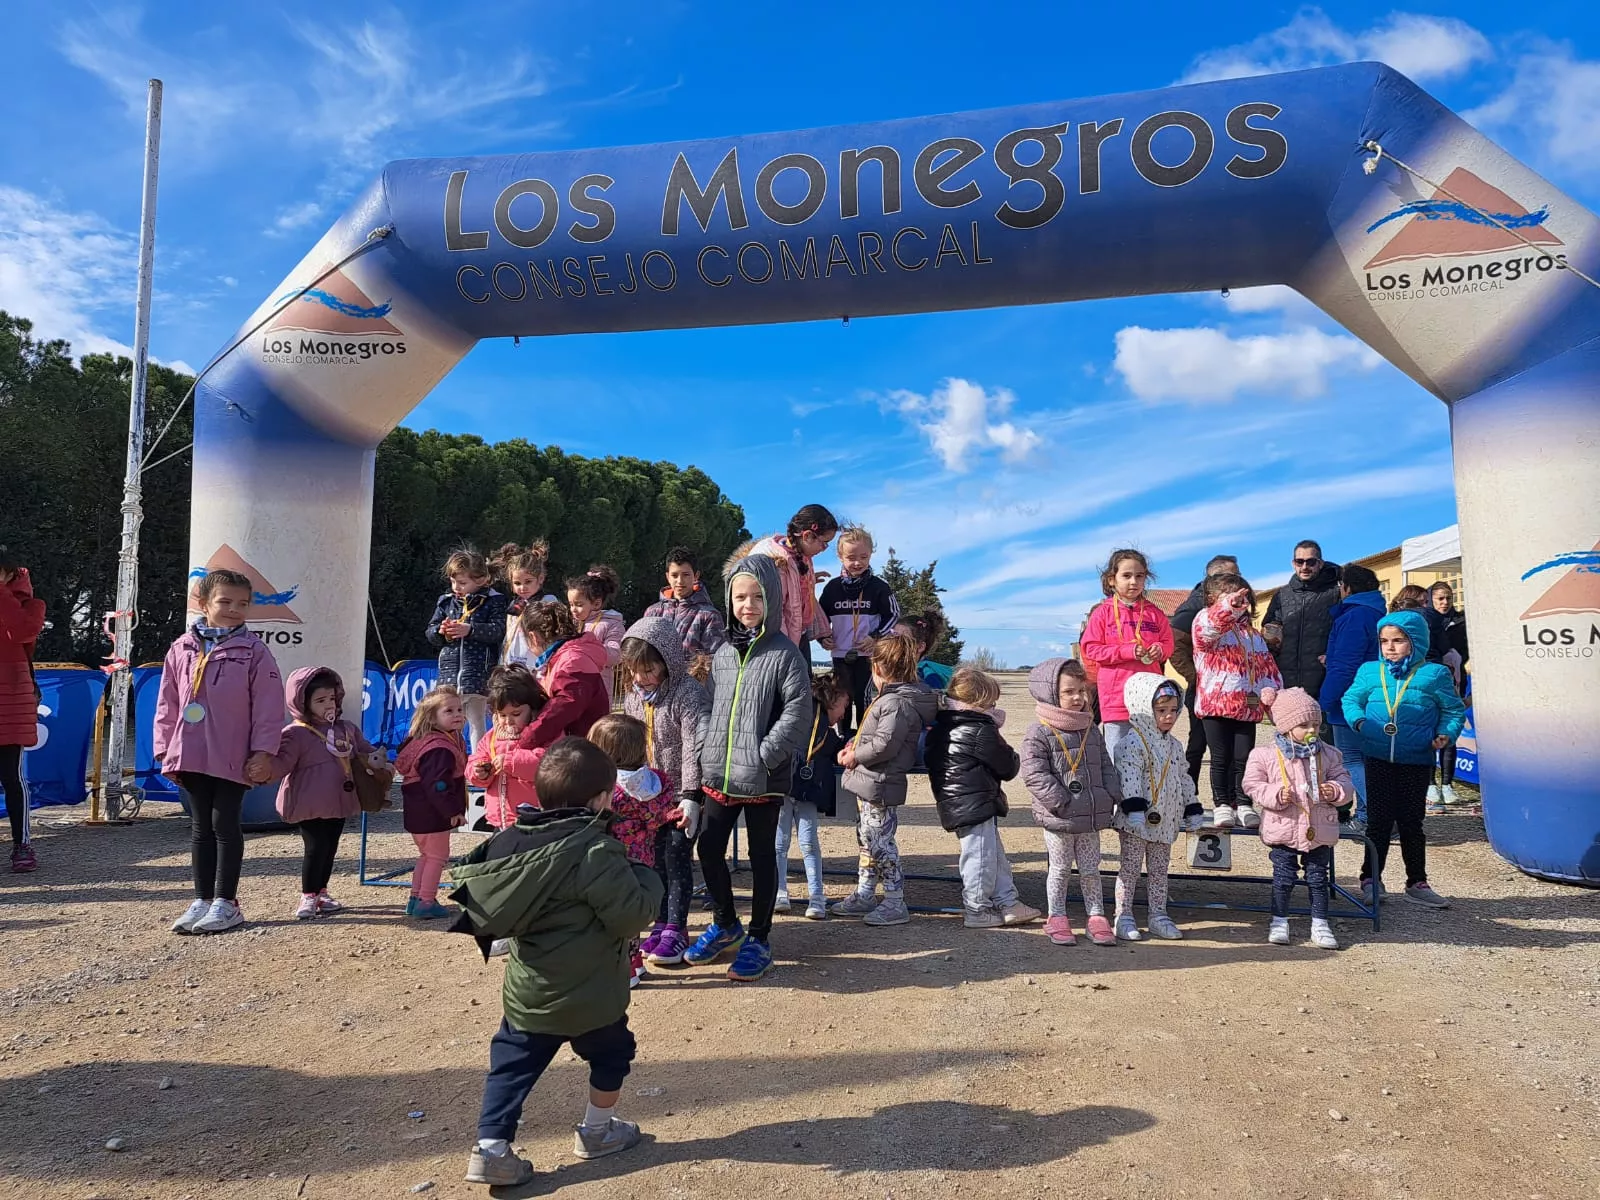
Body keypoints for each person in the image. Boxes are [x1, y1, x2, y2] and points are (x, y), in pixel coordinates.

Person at [449, 737, 663, 1187]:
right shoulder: (593, 851)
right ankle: (598, 1131)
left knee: (511, 1065)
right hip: (593, 995)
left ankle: (490, 1150)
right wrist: (644, 873)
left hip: (530, 994)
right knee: (612, 1054)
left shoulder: (512, 842)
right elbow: (632, 915)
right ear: (602, 799)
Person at [683, 551, 811, 982]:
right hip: (719, 772)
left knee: (761, 857)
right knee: (709, 849)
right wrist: (706, 747)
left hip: (763, 778)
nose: (748, 605)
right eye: (740, 597)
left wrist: (764, 754)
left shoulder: (786, 654)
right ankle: (725, 924)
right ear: (728, 600)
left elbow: (798, 712)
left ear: (771, 599)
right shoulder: (721, 652)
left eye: (757, 597)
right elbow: (707, 706)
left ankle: (759, 937)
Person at [154, 568, 285, 936]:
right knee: (199, 828)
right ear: (203, 603)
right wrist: (165, 747)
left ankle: (227, 902)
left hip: (232, 754)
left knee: (224, 824)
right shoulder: (181, 647)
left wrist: (263, 751)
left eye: (242, 604)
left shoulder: (255, 651)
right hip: (191, 752)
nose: (233, 609)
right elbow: (168, 700)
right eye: (225, 601)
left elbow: (268, 706)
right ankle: (201, 898)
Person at [1342, 611, 1465, 909]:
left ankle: (1417, 881)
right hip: (1378, 756)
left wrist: (1445, 734)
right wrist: (1358, 722)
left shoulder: (1434, 674)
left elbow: (1453, 710)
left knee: (1412, 822)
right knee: (1378, 821)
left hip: (1417, 759)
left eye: (1399, 641)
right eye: (1384, 641)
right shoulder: (1370, 671)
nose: (1390, 647)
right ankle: (1371, 879)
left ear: (1417, 641)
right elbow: (1350, 699)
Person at [830, 631, 939, 927]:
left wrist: (855, 756)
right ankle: (865, 893)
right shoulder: (891, 700)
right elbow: (875, 736)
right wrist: (856, 744)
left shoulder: (895, 703)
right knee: (866, 840)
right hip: (868, 782)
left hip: (879, 782)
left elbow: (884, 744)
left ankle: (894, 900)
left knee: (881, 843)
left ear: (878, 668)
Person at [620, 617, 710, 964]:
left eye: (649, 670)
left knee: (677, 858)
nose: (641, 678)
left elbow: (693, 747)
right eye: (635, 670)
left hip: (679, 797)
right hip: (646, 797)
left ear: (668, 661)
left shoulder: (688, 694)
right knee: (652, 860)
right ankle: (659, 922)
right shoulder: (633, 697)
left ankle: (677, 926)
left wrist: (690, 795)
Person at [924, 666, 1039, 929]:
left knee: (992, 855)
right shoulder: (980, 729)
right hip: (974, 800)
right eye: (992, 701)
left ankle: (1008, 902)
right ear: (980, 702)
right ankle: (977, 909)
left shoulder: (943, 726)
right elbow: (1007, 766)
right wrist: (1012, 754)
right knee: (979, 857)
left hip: (957, 799)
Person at [268, 666, 387, 920]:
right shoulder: (295, 733)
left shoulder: (347, 729)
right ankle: (308, 895)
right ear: (302, 702)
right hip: (308, 802)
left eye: (331, 699)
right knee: (315, 846)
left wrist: (379, 760)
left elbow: (365, 751)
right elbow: (283, 764)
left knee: (331, 846)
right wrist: (262, 769)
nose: (328, 705)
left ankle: (321, 892)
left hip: (339, 799)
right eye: (320, 700)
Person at [1243, 688, 1354, 950]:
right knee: (1283, 876)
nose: (1311, 730)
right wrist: (1274, 795)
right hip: (1284, 826)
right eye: (1303, 725)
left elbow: (1344, 780)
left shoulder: (1328, 754)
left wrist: (1336, 790)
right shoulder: (1265, 755)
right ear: (1285, 725)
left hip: (1320, 827)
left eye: (1315, 724)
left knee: (1318, 877)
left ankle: (1320, 923)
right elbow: (1252, 784)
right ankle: (1279, 920)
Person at [1023, 658, 1122, 947]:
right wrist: (1061, 802)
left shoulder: (1090, 728)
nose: (1078, 697)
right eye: (1069, 692)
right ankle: (1057, 916)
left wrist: (1111, 795)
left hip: (1090, 817)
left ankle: (1096, 916)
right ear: (1051, 693)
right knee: (1060, 869)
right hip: (1061, 818)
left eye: (1082, 691)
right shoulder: (1039, 732)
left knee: (1092, 869)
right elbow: (1034, 773)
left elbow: (1105, 765)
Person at [1111, 674, 1204, 942]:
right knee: (1129, 869)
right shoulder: (1131, 742)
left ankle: (1158, 915)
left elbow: (1184, 777)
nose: (1169, 717)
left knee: (1160, 871)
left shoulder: (1174, 745)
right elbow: (1129, 775)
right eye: (1161, 710)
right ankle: (1123, 915)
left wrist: (1192, 807)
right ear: (1143, 707)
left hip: (1165, 820)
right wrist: (1135, 807)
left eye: (1174, 710)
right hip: (1136, 822)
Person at [587, 714, 676, 988]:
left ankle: (621, 968)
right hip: (642, 860)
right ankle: (634, 962)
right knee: (631, 915)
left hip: (610, 861)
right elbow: (660, 816)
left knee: (609, 915)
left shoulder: (606, 789)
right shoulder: (654, 783)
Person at [1192, 571, 1282, 829]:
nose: (1237, 602)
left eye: (1241, 597)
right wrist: (1226, 608)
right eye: (1229, 596)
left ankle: (1243, 803)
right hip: (1215, 705)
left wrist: (1273, 694)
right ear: (1212, 598)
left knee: (1244, 757)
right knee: (1220, 758)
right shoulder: (1205, 622)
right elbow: (1209, 628)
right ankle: (1222, 804)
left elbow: (1267, 668)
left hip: (1247, 705)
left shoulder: (1253, 636)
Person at [1079, 548, 1173, 757]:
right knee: (1118, 757)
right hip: (1116, 698)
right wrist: (1126, 651)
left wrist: (1161, 649)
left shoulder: (1154, 613)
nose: (1134, 582)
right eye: (1127, 576)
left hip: (1149, 697)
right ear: (1112, 580)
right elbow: (1090, 648)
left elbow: (1168, 643)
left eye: (1139, 576)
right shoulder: (1102, 613)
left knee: (1150, 757)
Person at [1318, 563, 1386, 831]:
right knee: (1367, 760)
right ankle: (1367, 816)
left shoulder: (1353, 617)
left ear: (1346, 588)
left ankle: (1381, 814)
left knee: (1351, 759)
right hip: (1375, 697)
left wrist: (1325, 700)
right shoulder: (1378, 613)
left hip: (1351, 698)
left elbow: (1346, 665)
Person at [394, 686, 470, 920]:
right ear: (432, 717)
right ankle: (426, 900)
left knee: (426, 856)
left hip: (418, 812)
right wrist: (453, 810)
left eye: (459, 709)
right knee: (437, 857)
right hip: (432, 814)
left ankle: (416, 898)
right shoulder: (439, 749)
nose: (457, 714)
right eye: (448, 710)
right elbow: (438, 785)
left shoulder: (425, 741)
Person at [817, 525, 901, 732]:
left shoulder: (879, 587)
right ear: (840, 556)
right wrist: (822, 637)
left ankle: (863, 737)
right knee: (841, 698)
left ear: (871, 555)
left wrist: (875, 637)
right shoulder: (833, 588)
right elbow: (819, 618)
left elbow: (894, 615)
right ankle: (842, 737)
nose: (857, 563)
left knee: (863, 699)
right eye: (851, 557)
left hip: (867, 654)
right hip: (839, 654)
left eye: (863, 557)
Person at [426, 548, 510, 750]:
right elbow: (430, 632)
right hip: (450, 676)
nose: (456, 587)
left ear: (480, 580)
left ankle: (478, 761)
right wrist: (442, 631)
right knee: (447, 718)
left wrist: (470, 630)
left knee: (476, 720)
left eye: (462, 583)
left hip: (478, 674)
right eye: (453, 581)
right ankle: (448, 756)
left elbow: (498, 631)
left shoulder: (494, 601)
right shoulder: (446, 601)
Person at [1169, 553, 1239, 788]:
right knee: (1199, 744)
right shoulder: (1194, 605)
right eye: (1234, 575)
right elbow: (1174, 645)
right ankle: (1189, 796)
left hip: (1229, 689)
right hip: (1203, 689)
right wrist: (1198, 677)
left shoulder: (1231, 605)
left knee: (1229, 747)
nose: (1239, 580)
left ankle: (1230, 801)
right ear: (1215, 577)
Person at [782, 672, 848, 920]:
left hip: (807, 792)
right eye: (843, 705)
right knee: (780, 843)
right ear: (831, 700)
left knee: (807, 842)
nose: (844, 713)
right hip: (783, 788)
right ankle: (780, 893)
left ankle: (816, 897)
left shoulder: (827, 734)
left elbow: (835, 752)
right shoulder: (798, 717)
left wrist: (847, 748)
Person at [0, 550, 46, 873]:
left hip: (12, 696)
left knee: (12, 776)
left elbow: (20, 631)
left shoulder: (32, 605)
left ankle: (22, 844)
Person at [514, 601, 611, 749]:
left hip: (582, 751)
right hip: (580, 746)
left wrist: (525, 740)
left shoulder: (572, 662)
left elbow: (559, 711)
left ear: (533, 637)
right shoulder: (563, 658)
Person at [744, 503, 838, 652]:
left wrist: (810, 580)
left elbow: (803, 599)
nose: (824, 549)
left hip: (798, 636)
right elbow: (774, 611)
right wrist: (784, 649)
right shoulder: (776, 562)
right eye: (824, 543)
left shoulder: (803, 557)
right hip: (777, 643)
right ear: (807, 535)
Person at [467, 666, 550, 827]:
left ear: (532, 708)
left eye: (516, 714)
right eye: (502, 715)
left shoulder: (543, 733)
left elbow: (548, 764)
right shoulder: (491, 737)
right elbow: (476, 759)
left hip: (534, 819)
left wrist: (512, 762)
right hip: (499, 819)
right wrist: (479, 772)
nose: (508, 720)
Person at [1262, 539, 1341, 696]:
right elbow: (1270, 632)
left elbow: (1344, 632)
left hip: (1323, 680)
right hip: (1286, 681)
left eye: (1311, 562)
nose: (1305, 567)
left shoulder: (1336, 593)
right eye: (1300, 562)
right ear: (1293, 563)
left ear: (1320, 563)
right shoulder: (1281, 595)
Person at [643, 546, 728, 660]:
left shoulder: (709, 616)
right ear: (667, 577)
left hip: (691, 677)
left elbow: (713, 660)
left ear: (696, 576)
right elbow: (642, 653)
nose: (680, 581)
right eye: (674, 575)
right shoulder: (653, 612)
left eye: (686, 575)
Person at [1428, 581, 1470, 807]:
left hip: (1455, 682)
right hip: (1431, 684)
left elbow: (1467, 650)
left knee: (1449, 734)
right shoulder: (1426, 620)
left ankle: (1447, 784)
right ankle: (1430, 786)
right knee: (1427, 733)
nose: (1445, 603)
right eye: (1440, 598)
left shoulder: (1461, 621)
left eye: (1448, 598)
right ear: (1431, 599)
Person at [493, 541, 558, 669]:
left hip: (536, 663)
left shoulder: (547, 601)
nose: (523, 588)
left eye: (528, 582)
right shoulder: (514, 606)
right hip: (511, 662)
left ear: (540, 578)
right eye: (517, 583)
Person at [568, 565, 626, 704]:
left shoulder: (612, 624)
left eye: (579, 604)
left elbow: (616, 655)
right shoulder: (571, 624)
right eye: (571, 604)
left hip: (599, 691)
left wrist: (587, 647)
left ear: (596, 603)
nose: (573, 610)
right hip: (573, 687)